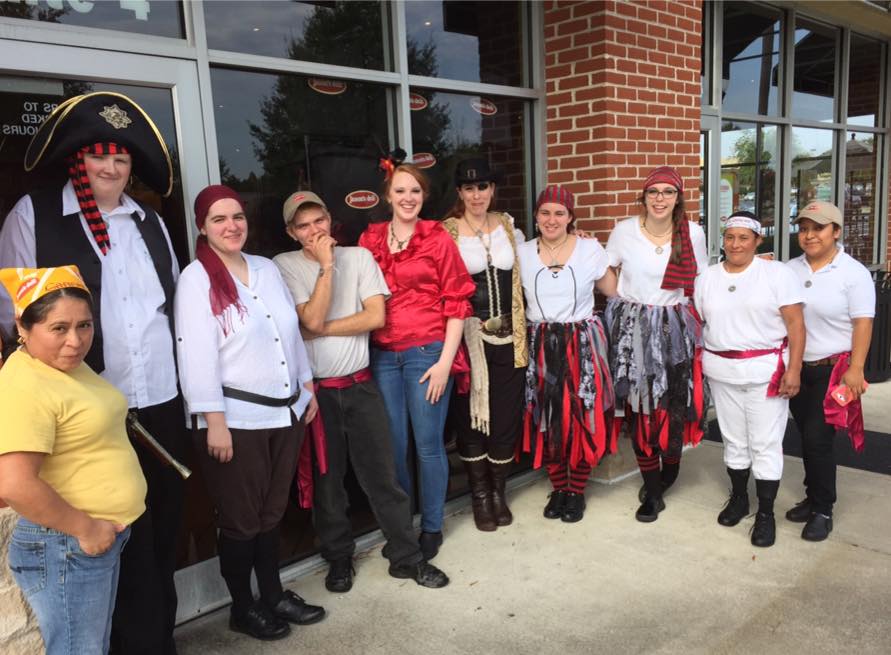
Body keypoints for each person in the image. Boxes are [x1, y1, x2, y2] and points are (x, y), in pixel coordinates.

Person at [0, 93, 184, 655]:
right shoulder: (34, 214)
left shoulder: (150, 222)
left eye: (121, 159)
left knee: (161, 540)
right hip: (86, 416)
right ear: (78, 159)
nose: (111, 167)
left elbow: (169, 308)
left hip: (159, 403)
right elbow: (15, 316)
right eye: (99, 155)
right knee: (103, 546)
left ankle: (160, 644)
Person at [274, 190, 450, 591]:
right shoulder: (283, 265)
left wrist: (318, 328)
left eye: (319, 221)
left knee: (383, 476)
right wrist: (326, 267)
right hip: (317, 393)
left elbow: (375, 317)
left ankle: (406, 557)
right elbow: (308, 317)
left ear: (330, 220)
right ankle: (339, 558)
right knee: (328, 482)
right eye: (303, 225)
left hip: (361, 384)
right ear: (291, 232)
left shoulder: (359, 257)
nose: (314, 231)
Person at [174, 185, 325, 641]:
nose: (231, 226)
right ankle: (243, 607)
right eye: (219, 219)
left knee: (271, 513)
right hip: (235, 423)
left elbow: (289, 334)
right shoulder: (196, 279)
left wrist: (306, 385)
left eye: (237, 216)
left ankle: (273, 595)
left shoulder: (265, 268)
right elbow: (195, 355)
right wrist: (214, 422)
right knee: (242, 521)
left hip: (285, 413)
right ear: (203, 227)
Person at [0, 266, 146, 655]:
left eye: (84, 325)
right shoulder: (25, 383)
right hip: (66, 544)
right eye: (59, 328)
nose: (75, 340)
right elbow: (15, 484)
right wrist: (87, 528)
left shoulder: (64, 367)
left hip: (87, 541)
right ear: (23, 326)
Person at [358, 155, 475, 560]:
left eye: (415, 191)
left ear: (424, 196)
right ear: (387, 196)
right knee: (393, 448)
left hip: (427, 352)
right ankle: (401, 527)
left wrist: (445, 363)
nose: (408, 197)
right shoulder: (370, 240)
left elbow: (457, 303)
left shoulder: (437, 239)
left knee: (428, 445)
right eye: (400, 190)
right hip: (383, 356)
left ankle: (432, 526)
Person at [694, 211, 805, 548]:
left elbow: (796, 325)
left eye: (744, 238)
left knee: (764, 443)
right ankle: (740, 498)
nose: (735, 244)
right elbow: (702, 321)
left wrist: (794, 369)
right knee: (733, 440)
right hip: (722, 371)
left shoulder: (776, 274)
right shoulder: (707, 277)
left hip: (765, 372)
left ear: (758, 240)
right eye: (730, 237)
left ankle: (766, 513)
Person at [605, 166, 709, 523]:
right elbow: (605, 270)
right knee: (640, 409)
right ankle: (652, 490)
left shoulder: (692, 232)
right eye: (653, 192)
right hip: (634, 331)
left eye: (668, 192)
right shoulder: (624, 231)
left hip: (676, 329)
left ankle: (670, 472)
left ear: (678, 198)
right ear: (644, 197)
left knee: (673, 407)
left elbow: (701, 281)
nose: (660, 198)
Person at [517, 185, 617, 523]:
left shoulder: (589, 248)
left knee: (580, 414)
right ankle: (558, 487)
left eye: (559, 213)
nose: (552, 219)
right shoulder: (521, 252)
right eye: (545, 212)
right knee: (546, 415)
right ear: (535, 216)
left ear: (570, 217)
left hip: (581, 343)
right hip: (540, 344)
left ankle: (577, 490)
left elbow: (612, 289)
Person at [441, 158, 528, 532]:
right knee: (470, 416)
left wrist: (575, 237)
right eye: (469, 188)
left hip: (510, 337)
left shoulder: (509, 226)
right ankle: (479, 495)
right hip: (467, 340)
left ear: (492, 189)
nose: (477, 195)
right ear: (459, 192)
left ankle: (498, 493)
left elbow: (535, 259)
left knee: (505, 416)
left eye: (483, 187)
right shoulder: (445, 232)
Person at [785, 201, 875, 541]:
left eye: (818, 228)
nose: (809, 235)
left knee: (817, 439)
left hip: (833, 370)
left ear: (836, 232)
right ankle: (812, 497)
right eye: (804, 229)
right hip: (797, 367)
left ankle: (823, 509)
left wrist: (856, 369)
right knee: (806, 437)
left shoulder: (853, 273)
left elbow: (863, 323)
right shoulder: (789, 269)